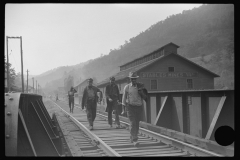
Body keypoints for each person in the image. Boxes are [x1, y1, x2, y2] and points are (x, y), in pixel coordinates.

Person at [122, 72, 148, 147]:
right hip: (130, 107)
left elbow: (146, 98)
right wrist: (123, 109)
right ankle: (135, 139)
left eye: (135, 79)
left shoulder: (141, 87)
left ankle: (132, 136)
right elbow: (124, 98)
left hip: (139, 107)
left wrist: (141, 91)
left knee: (136, 124)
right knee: (133, 123)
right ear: (130, 79)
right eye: (132, 79)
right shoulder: (127, 87)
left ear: (136, 79)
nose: (134, 80)